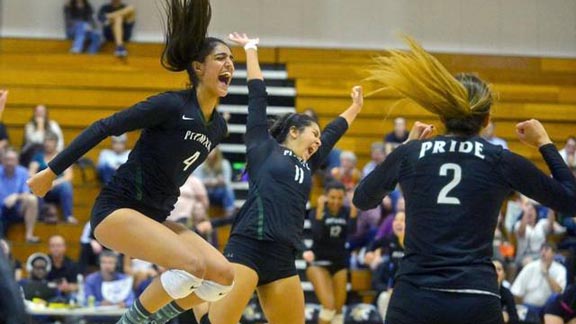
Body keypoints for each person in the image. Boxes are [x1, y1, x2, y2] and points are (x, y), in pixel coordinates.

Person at [27, 1, 235, 323]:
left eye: (232, 59)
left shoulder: (218, 127)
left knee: (222, 276)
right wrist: (51, 171)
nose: (229, 65)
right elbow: (104, 127)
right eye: (221, 58)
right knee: (192, 267)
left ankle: (154, 318)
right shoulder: (170, 104)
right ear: (197, 67)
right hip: (117, 211)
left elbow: (172, 174)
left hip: (154, 217)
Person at [354, 37, 576, 324]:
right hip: (474, 299)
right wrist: (545, 143)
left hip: (414, 297)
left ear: (442, 116)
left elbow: (362, 199)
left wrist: (403, 149)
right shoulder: (499, 158)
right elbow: (571, 201)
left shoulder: (411, 154)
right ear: (486, 120)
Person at [183, 32, 364, 324]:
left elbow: (332, 133)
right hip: (248, 247)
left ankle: (202, 292)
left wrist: (355, 108)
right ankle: (198, 298)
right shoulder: (262, 147)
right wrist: (251, 50)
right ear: (294, 131)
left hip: (283, 256)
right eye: (313, 134)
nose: (319, 141)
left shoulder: (309, 163)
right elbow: (258, 96)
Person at [303, 181, 357, 324]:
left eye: (339, 198)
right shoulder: (317, 211)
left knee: (338, 313)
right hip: (318, 263)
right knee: (329, 308)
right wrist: (320, 209)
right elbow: (318, 234)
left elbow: (352, 231)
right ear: (326, 197)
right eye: (332, 197)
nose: (336, 201)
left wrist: (353, 210)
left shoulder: (346, 211)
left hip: (339, 263)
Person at [29, 132, 77, 224]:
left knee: (66, 186)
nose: (47, 143)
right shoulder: (38, 156)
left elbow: (68, 176)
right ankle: (40, 216)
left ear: (56, 143)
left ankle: (68, 216)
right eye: (46, 141)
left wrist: (53, 183)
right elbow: (31, 173)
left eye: (50, 141)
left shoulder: (63, 156)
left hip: (56, 186)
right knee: (33, 186)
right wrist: (43, 182)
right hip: (41, 186)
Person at [511, 243, 566, 321]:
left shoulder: (561, 270)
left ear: (554, 253)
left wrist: (546, 273)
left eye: (546, 250)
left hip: (549, 309)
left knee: (554, 299)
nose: (543, 252)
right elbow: (516, 292)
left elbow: (559, 292)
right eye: (542, 250)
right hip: (529, 307)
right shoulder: (530, 267)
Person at [0, 148, 40, 243]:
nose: (9, 163)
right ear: (2, 160)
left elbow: (26, 193)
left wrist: (16, 196)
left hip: (17, 208)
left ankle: (29, 235)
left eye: (12, 160)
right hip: (1, 208)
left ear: (17, 161)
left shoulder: (23, 172)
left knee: (32, 199)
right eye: (7, 159)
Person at [195, 147, 235, 216]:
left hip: (218, 192)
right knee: (195, 191)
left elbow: (227, 182)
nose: (210, 153)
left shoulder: (224, 163)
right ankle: (200, 218)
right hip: (204, 192)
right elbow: (196, 182)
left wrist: (213, 182)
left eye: (212, 150)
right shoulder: (200, 163)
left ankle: (230, 214)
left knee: (228, 189)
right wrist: (215, 182)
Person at [46, 235, 80, 301]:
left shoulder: (72, 264)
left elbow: (77, 286)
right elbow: (37, 283)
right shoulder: (43, 262)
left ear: (64, 247)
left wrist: (68, 287)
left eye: (58, 246)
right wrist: (56, 286)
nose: (56, 248)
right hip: (47, 295)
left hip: (66, 296)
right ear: (49, 248)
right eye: (53, 246)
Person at [493, 259, 519, 324]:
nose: (495, 272)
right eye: (493, 269)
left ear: (504, 275)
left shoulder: (507, 294)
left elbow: (515, 319)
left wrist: (508, 318)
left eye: (499, 269)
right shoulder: (482, 292)